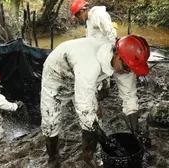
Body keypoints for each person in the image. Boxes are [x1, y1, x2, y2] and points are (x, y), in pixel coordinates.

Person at [40, 35, 150, 167]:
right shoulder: (90, 65)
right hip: (58, 74)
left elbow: (129, 96)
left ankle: (88, 155)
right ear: (116, 55)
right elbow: (84, 108)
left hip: (84, 77)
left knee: (96, 116)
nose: (128, 71)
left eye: (131, 69)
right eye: (126, 67)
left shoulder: (125, 62)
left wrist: (136, 131)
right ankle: (53, 157)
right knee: (51, 119)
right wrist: (104, 141)